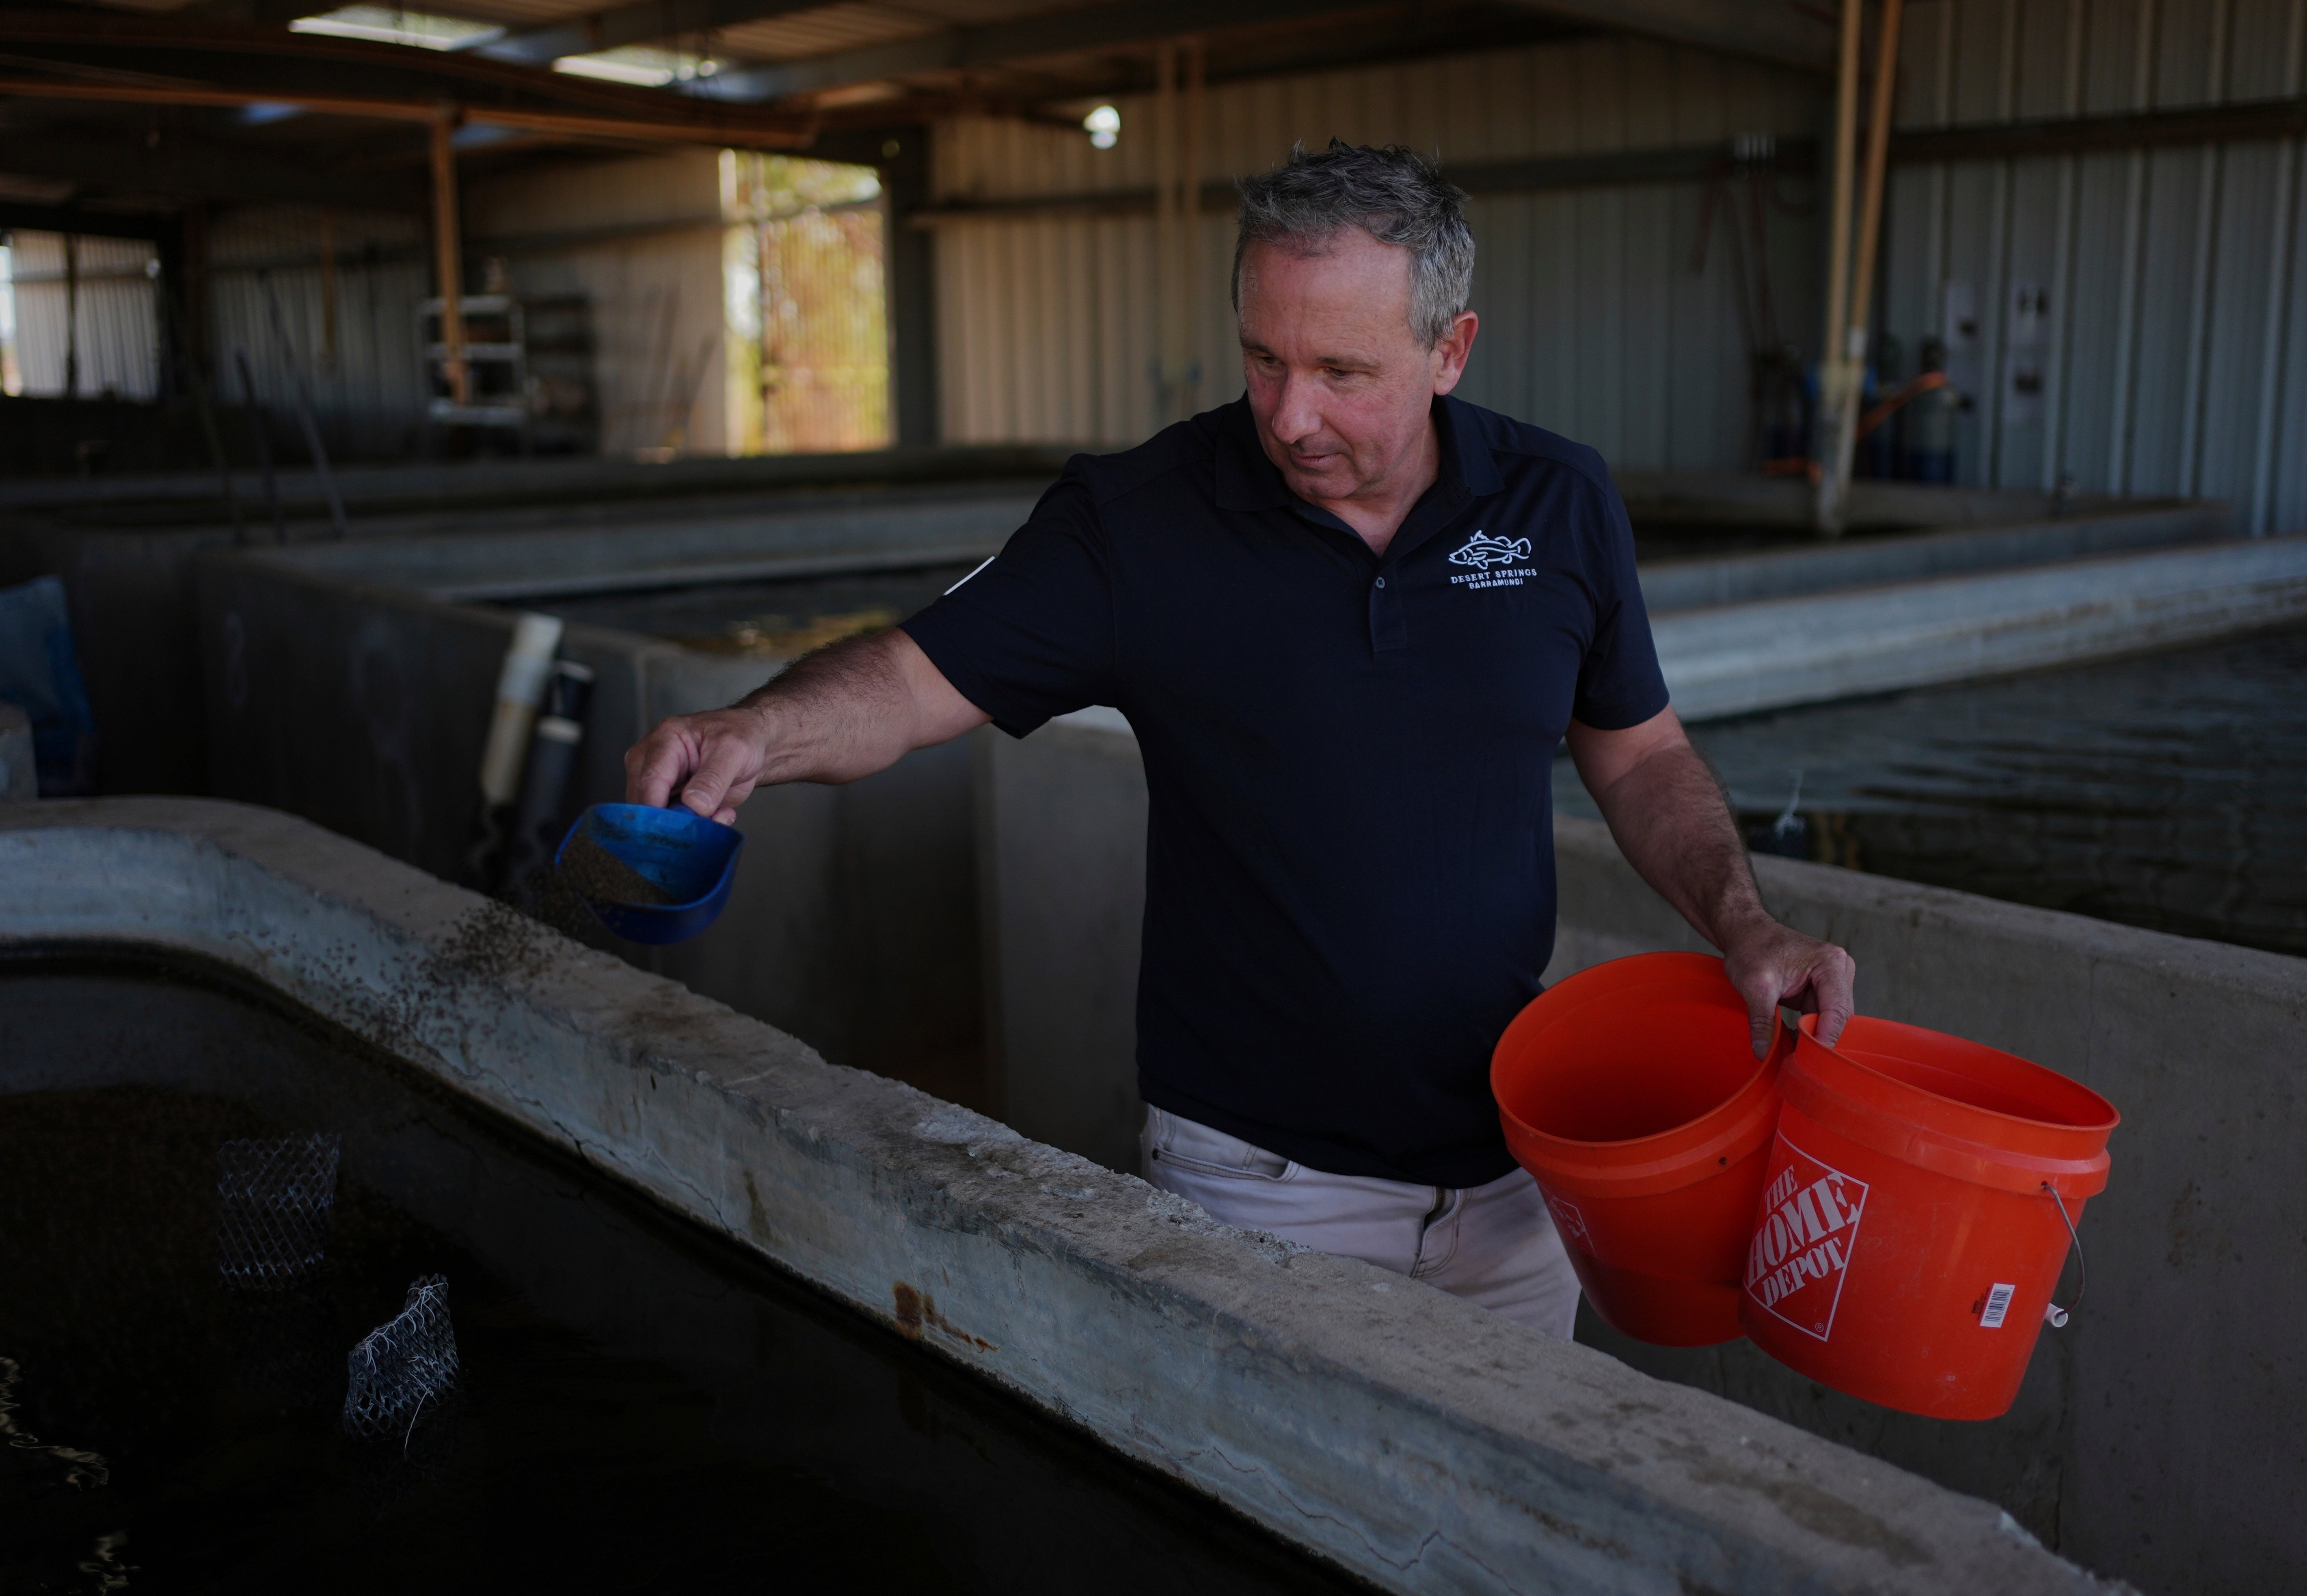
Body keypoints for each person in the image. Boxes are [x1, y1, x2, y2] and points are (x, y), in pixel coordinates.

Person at [625, 140, 1856, 1341]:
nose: (1290, 416)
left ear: (1450, 350)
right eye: (1261, 359)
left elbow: (1637, 754)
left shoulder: (1557, 501)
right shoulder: (1139, 522)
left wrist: (1742, 922)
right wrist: (756, 731)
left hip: (1519, 1184)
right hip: (1260, 1188)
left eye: (1340, 370)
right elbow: (908, 676)